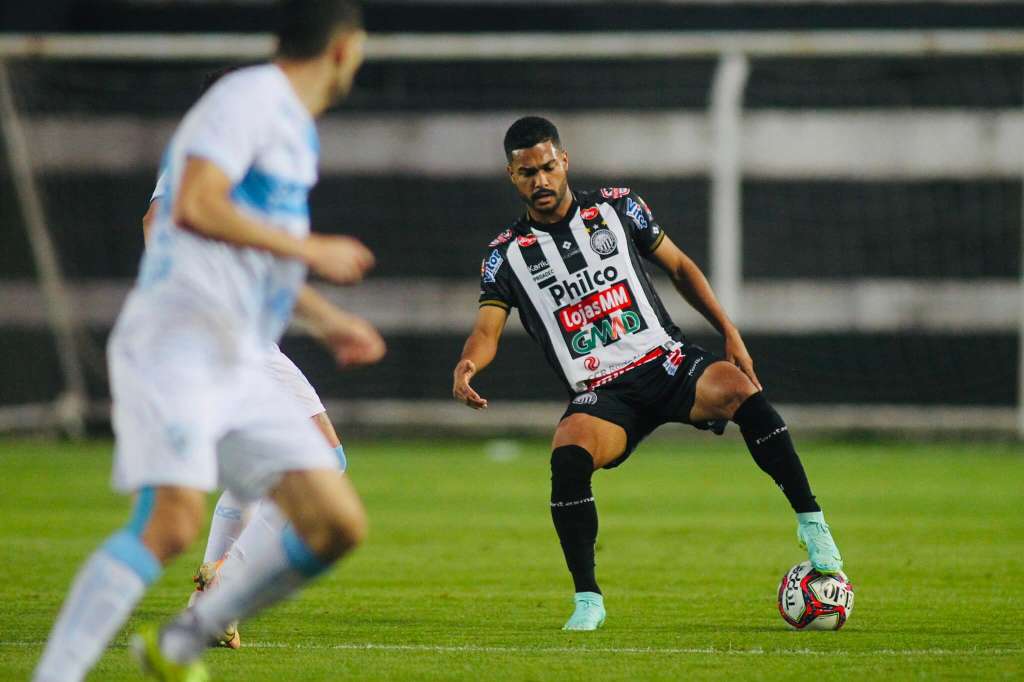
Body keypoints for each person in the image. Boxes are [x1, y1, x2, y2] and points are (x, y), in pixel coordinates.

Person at [33, 2, 382, 680]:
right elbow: (190, 205)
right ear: (343, 49)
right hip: (180, 340)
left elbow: (257, 260)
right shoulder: (248, 99)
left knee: (337, 521)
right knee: (168, 523)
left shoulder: (294, 133)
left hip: (239, 350)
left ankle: (186, 638)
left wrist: (323, 316)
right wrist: (310, 247)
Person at [451, 116, 843, 632]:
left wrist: (729, 330)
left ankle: (812, 523)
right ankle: (588, 600)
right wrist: (468, 364)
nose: (541, 181)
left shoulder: (618, 208)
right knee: (568, 455)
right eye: (528, 174)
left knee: (741, 391)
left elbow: (679, 267)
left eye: (548, 168)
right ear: (512, 176)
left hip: (666, 364)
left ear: (564, 161)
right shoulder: (506, 256)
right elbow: (487, 330)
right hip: (603, 393)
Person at [144, 83, 350, 649]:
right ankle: (216, 601)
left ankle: (205, 605)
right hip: (220, 332)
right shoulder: (208, 151)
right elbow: (160, 222)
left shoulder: (265, 163)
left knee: (265, 470)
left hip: (253, 336)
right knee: (323, 458)